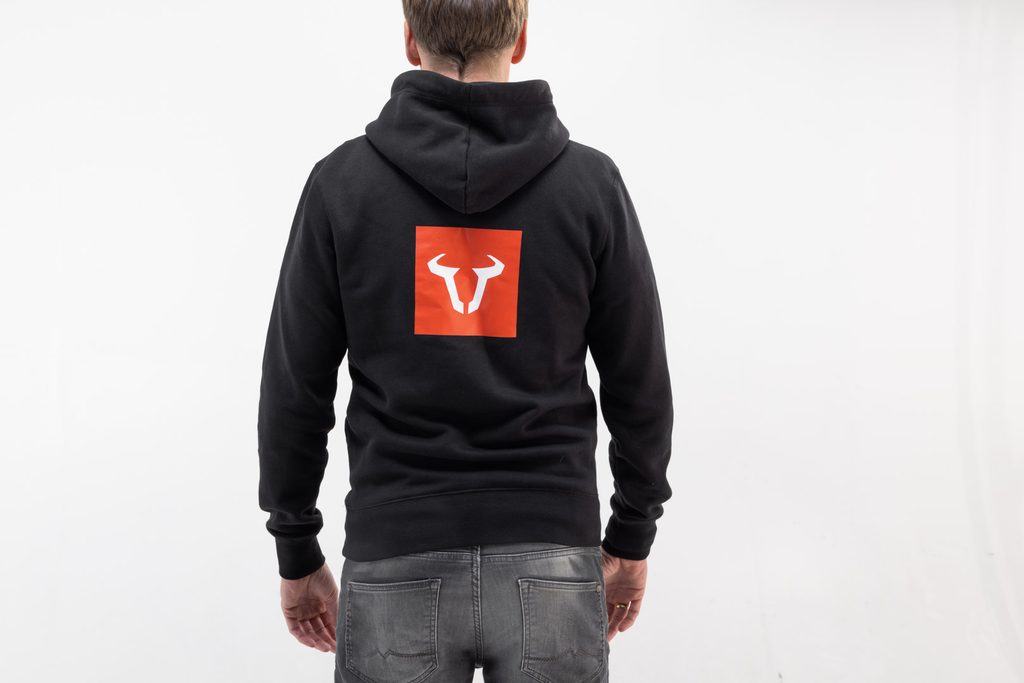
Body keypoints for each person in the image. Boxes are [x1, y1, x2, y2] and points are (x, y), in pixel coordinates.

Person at [256, 1, 674, 680]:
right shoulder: (590, 185)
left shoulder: (342, 185)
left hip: (395, 553)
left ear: (409, 39)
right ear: (522, 37)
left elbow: (293, 387)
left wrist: (296, 547)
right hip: (552, 553)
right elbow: (640, 381)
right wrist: (631, 535)